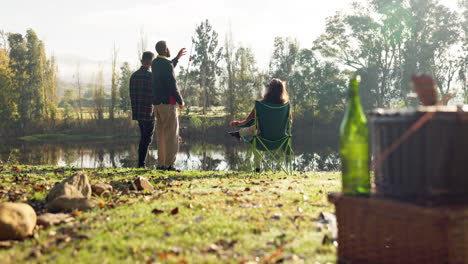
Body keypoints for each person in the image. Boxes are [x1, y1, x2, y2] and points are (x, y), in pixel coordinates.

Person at [129, 49, 185, 168]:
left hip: (138, 112)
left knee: (144, 137)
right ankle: (142, 164)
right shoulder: (150, 76)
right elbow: (165, 76)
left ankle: (142, 164)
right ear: (151, 62)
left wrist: (175, 59)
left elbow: (132, 95)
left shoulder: (133, 76)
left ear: (141, 60)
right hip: (149, 111)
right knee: (147, 139)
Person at [152, 40, 185, 171]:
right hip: (168, 104)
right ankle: (170, 165)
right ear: (165, 49)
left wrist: (176, 58)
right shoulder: (166, 64)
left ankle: (161, 164)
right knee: (172, 136)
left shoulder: (155, 63)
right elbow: (172, 83)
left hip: (157, 104)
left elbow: (167, 68)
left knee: (161, 135)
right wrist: (181, 100)